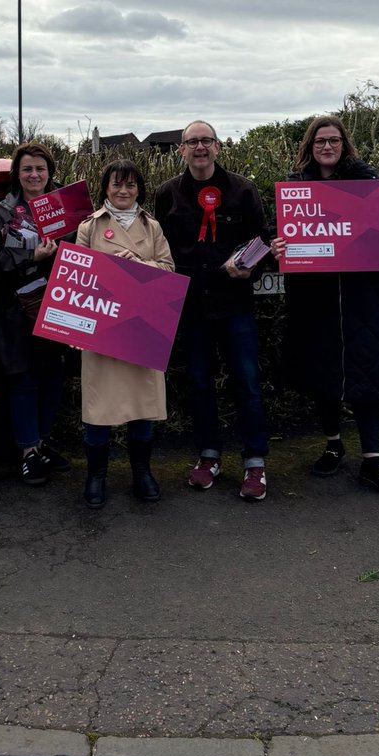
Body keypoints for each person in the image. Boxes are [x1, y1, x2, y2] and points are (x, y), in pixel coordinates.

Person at [270, 116, 379, 501]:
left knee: (368, 373)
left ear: (344, 145)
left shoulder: (370, 184)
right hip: (315, 299)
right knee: (323, 373)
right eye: (320, 141)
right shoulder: (295, 187)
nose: (327, 147)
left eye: (333, 140)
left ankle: (374, 461)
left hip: (362, 297)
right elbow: (276, 230)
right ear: (309, 147)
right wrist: (276, 244)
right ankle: (333, 445)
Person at [155, 120, 272, 501]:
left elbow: (262, 242)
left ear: (218, 147)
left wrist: (249, 266)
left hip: (235, 305)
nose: (200, 147)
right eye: (193, 142)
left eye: (207, 141)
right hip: (190, 308)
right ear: (181, 150)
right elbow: (162, 252)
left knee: (248, 385)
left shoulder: (244, 190)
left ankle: (255, 462)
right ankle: (209, 456)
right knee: (200, 385)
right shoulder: (166, 195)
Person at [75, 159, 174, 509]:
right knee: (98, 407)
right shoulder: (88, 227)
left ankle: (142, 473)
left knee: (142, 405)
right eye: (116, 184)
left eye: (130, 185)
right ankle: (96, 477)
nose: (123, 191)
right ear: (105, 188)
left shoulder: (153, 228)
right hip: (102, 330)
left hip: (141, 329)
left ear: (139, 190)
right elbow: (78, 275)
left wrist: (137, 265)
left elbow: (168, 270)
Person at [0, 142, 72, 485]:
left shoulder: (64, 208)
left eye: (40, 169)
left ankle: (43, 442)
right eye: (27, 169)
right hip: (17, 308)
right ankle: (28, 452)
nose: (34, 175)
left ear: (49, 173)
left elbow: (82, 249)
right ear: (17, 175)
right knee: (22, 378)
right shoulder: (5, 211)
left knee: (52, 376)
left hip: (58, 302)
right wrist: (30, 258)